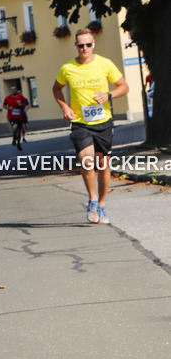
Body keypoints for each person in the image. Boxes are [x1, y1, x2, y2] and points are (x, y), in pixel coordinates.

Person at [53, 28, 129, 224]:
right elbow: (57, 89)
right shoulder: (67, 68)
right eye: (81, 45)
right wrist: (65, 107)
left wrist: (108, 95)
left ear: (93, 44)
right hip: (80, 122)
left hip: (103, 120)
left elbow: (124, 86)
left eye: (88, 44)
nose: (84, 48)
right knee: (87, 161)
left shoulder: (105, 64)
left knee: (103, 165)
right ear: (76, 46)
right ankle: (93, 200)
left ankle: (102, 204)